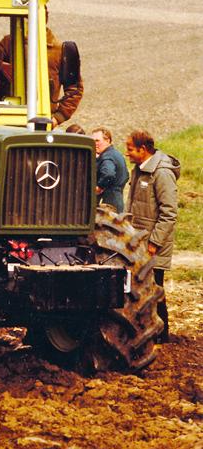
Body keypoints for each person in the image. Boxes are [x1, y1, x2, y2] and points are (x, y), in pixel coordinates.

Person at [125, 129, 179, 343]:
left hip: (153, 245)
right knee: (142, 290)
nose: (126, 153)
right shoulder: (138, 170)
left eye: (130, 149)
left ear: (143, 149)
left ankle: (161, 336)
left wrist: (154, 243)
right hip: (139, 242)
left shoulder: (162, 173)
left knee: (155, 289)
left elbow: (169, 213)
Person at [0, 19, 83, 126]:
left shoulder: (59, 51)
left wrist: (57, 118)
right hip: (6, 117)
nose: (29, 19)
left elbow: (75, 89)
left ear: (46, 17)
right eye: (26, 16)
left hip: (41, 122)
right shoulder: (8, 43)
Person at [92, 127, 128, 212]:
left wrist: (99, 187)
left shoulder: (107, 156)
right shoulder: (116, 154)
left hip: (108, 203)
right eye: (93, 141)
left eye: (97, 141)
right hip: (117, 199)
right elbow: (126, 175)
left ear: (107, 141)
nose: (94, 144)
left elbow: (108, 173)